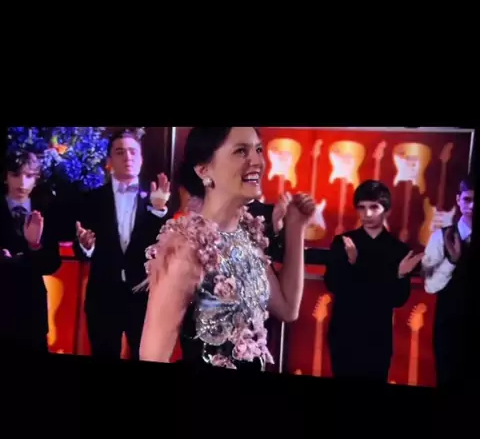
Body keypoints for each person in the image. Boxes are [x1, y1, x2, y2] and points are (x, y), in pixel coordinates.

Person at [139, 126, 316, 371]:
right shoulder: (186, 247)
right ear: (204, 170)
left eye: (258, 150)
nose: (257, 161)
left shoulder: (247, 235)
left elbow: (287, 308)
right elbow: (153, 354)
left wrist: (296, 227)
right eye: (241, 151)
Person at [74, 128, 171, 360]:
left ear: (141, 159)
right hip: (103, 298)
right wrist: (86, 246)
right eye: (120, 152)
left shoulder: (159, 197)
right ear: (109, 161)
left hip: (144, 298)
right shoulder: (91, 199)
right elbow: (81, 249)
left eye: (132, 152)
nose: (127, 157)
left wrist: (159, 212)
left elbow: (166, 247)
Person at [324, 180, 423, 382]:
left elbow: (398, 299)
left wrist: (400, 275)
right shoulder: (343, 242)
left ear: (386, 210)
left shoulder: (398, 250)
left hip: (377, 338)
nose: (367, 214)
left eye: (374, 207)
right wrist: (353, 263)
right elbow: (333, 284)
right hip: (344, 334)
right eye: (362, 208)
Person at [0, 150, 61, 352]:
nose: (22, 182)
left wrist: (35, 245)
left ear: (36, 179)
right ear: (6, 177)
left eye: (28, 176)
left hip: (31, 310)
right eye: (15, 175)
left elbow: (52, 264)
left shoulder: (47, 210)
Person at [422, 175, 474, 387]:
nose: (472, 206)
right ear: (458, 199)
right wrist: (452, 262)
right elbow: (429, 286)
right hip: (450, 328)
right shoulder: (439, 237)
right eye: (468, 199)